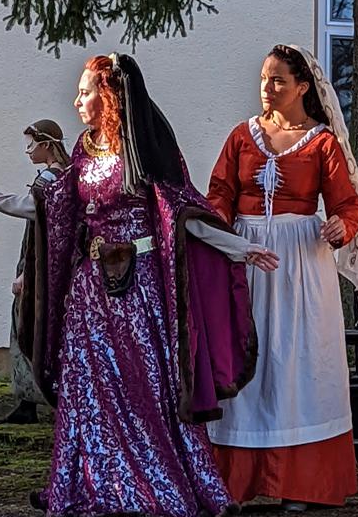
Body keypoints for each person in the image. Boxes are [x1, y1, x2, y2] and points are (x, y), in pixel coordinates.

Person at [25, 53, 278, 516]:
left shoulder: (147, 149)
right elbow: (57, 207)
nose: (76, 100)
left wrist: (238, 249)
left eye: (84, 92)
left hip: (139, 290)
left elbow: (181, 216)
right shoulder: (83, 148)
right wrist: (2, 202)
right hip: (90, 294)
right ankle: (94, 484)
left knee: (146, 388)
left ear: (110, 96)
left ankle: (153, 481)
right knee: (89, 389)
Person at [206, 44, 358, 511]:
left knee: (295, 365)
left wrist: (342, 226)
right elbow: (219, 192)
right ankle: (234, 481)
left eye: (278, 79)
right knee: (248, 360)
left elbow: (347, 204)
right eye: (264, 78)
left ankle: (298, 483)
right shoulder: (242, 136)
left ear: (303, 87)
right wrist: (219, 231)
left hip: (300, 262)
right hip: (247, 259)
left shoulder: (321, 142)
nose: (267, 87)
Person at [0, 120, 70, 424]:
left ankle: (36, 398)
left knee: (29, 327)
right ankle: (31, 400)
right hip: (43, 264)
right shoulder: (63, 176)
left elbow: (31, 211)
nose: (27, 151)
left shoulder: (50, 180)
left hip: (41, 266)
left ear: (46, 145)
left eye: (31, 145)